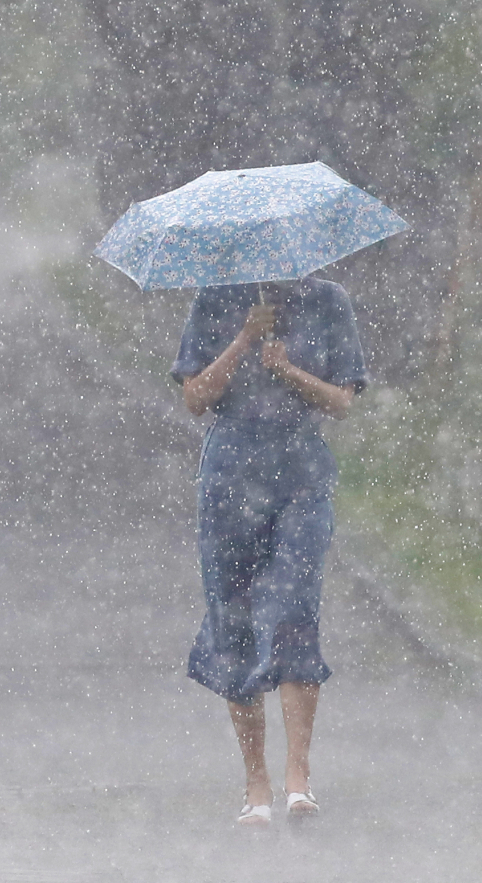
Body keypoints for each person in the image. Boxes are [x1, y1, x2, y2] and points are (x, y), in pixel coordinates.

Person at [170, 277, 368, 828]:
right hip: (229, 477)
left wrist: (287, 371)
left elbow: (343, 401)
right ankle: (254, 781)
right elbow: (194, 398)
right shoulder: (214, 300)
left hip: (301, 476)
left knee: (295, 610)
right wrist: (241, 340)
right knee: (231, 619)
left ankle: (297, 778)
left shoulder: (331, 302)